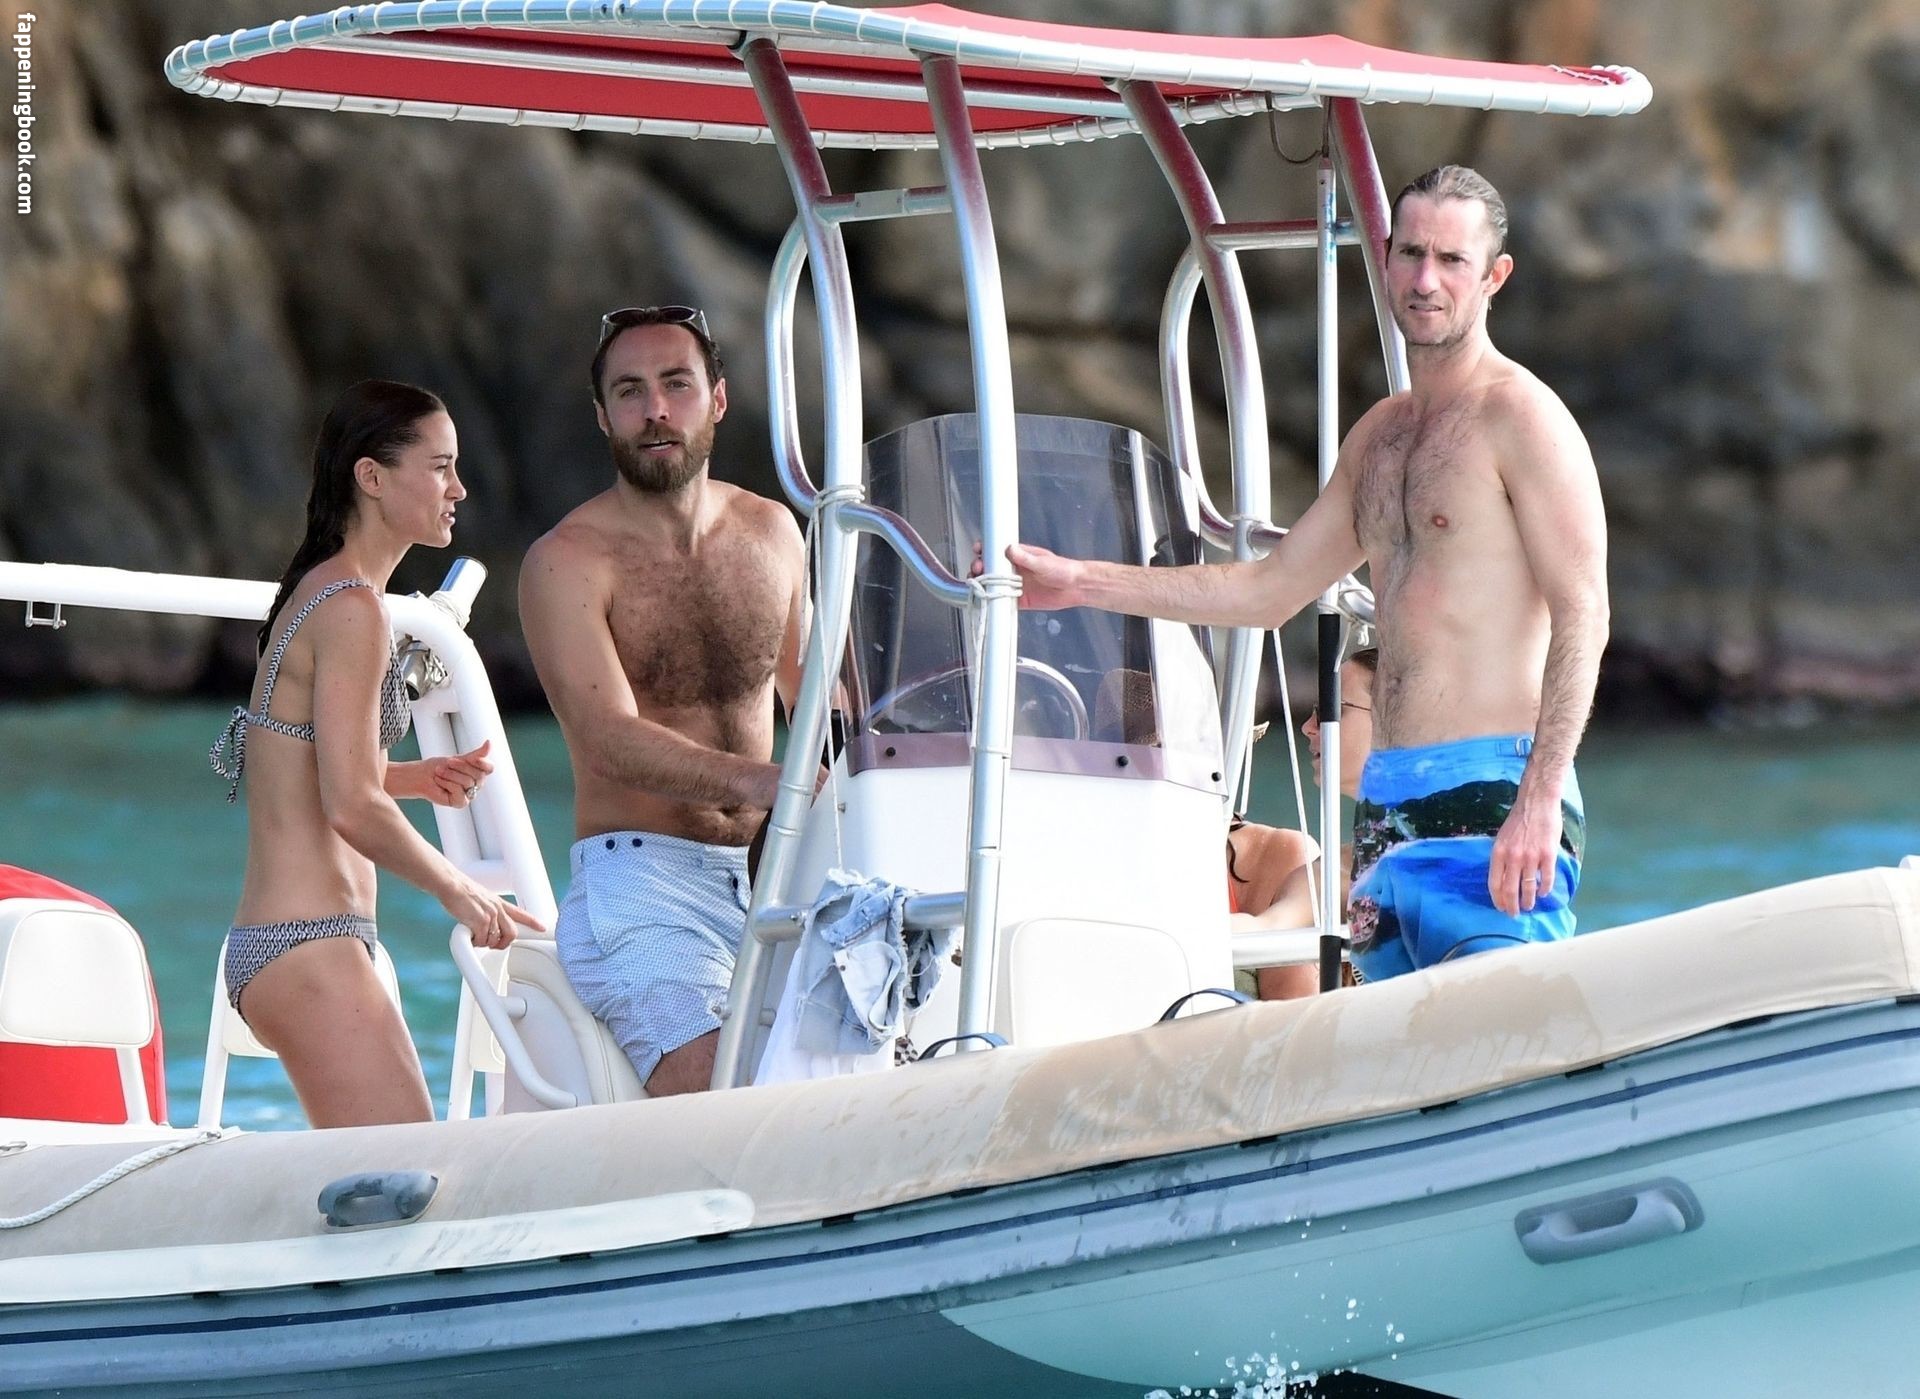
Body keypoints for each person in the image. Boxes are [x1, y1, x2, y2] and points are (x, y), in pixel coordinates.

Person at [1009, 165, 1607, 982]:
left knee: (1502, 1035)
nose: (1425, 281)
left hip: (1494, 792)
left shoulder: (1523, 418)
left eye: (1451, 260)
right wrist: (1080, 582)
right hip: (1387, 804)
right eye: (1410, 254)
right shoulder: (1379, 437)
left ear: (1493, 276)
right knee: (1397, 1049)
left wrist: (1539, 797)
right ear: (1386, 259)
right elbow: (1268, 589)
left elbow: (1584, 613)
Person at [211, 380, 542, 1128]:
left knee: (393, 1170)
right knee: (408, 1166)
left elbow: (307, 766)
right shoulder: (352, 609)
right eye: (440, 467)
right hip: (309, 943)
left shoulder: (324, 593)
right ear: (372, 476)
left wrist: (413, 778)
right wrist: (461, 890)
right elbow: (352, 804)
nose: (459, 488)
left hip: (299, 942)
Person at [520, 305, 807, 1097]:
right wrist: (761, 780)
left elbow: (822, 699)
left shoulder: (774, 532)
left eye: (677, 384)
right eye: (630, 391)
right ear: (602, 415)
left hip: (773, 874)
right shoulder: (566, 560)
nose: (655, 409)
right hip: (641, 889)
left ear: (717, 399)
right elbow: (606, 737)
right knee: (723, 1092)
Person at [1231, 648, 1377, 998]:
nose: (1308, 727)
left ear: (1395, 717)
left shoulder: (1485, 835)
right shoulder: (1335, 870)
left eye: (1331, 709)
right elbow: (1266, 928)